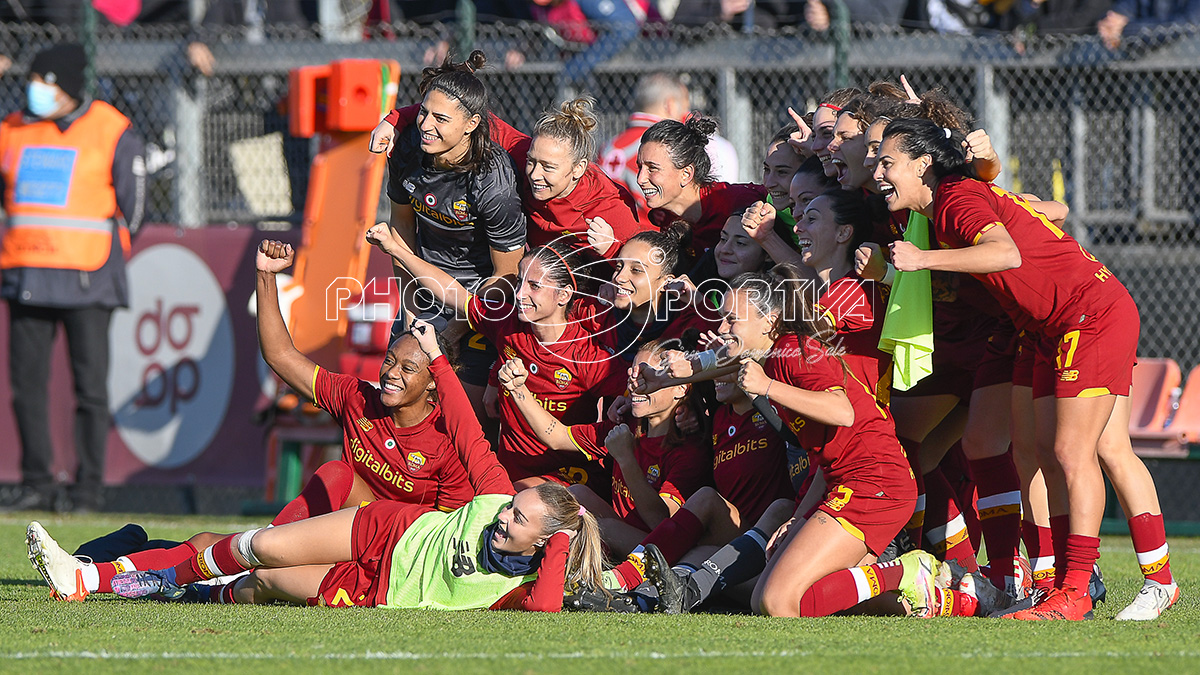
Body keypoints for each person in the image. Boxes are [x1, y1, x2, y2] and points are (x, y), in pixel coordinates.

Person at [27, 320, 606, 611]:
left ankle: (133, 568)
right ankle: (92, 576)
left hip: (382, 587)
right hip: (386, 526)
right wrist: (435, 353)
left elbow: (548, 603)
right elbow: (463, 419)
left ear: (544, 543)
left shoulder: (520, 584)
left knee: (260, 581)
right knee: (259, 544)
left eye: (518, 519)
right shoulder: (486, 487)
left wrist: (561, 539)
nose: (503, 515)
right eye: (511, 506)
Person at [877, 117, 1142, 621]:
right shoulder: (945, 202)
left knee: (1071, 452)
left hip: (1090, 312)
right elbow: (1044, 215)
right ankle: (1064, 585)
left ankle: (1081, 588)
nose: (878, 171)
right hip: (1050, 326)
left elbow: (1005, 252)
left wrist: (920, 260)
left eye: (887, 161)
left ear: (923, 164)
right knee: (1043, 451)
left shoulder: (954, 201)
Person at [365, 224, 628, 490]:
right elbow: (453, 293)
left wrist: (619, 408)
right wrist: (396, 249)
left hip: (562, 482)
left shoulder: (589, 357)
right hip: (508, 474)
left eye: (534, 286)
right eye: (519, 282)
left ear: (564, 295)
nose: (520, 293)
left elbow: (640, 403)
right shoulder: (509, 322)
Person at [0, 42, 146, 513]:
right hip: (25, 272)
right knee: (26, 387)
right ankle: (38, 482)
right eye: (34, 80)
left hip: (88, 277)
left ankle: (87, 490)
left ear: (70, 88)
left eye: (46, 81)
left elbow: (135, 206)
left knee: (90, 389)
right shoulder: (11, 129)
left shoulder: (111, 129)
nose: (35, 90)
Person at [383, 51, 527, 421]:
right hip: (424, 288)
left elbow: (507, 276)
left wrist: (458, 329)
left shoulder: (493, 181)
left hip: (479, 303)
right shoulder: (407, 149)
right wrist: (412, 307)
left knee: (464, 417)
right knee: (404, 405)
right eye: (424, 113)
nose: (426, 125)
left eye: (440, 118)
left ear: (471, 124)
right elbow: (401, 226)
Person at [494, 340, 711, 554]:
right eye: (632, 375)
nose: (634, 384)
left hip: (663, 550)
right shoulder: (627, 426)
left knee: (605, 528)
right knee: (576, 495)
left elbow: (662, 523)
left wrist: (626, 458)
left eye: (645, 376)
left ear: (681, 388)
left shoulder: (689, 451)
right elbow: (557, 436)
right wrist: (517, 390)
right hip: (622, 533)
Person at [373, 95, 645, 258]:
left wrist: (611, 250)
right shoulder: (519, 150)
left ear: (578, 169)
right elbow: (458, 111)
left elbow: (648, 263)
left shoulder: (606, 208)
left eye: (548, 168)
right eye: (531, 162)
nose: (534, 175)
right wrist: (395, 119)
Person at [599, 73, 745, 216]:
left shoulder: (607, 147)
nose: (641, 178)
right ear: (670, 105)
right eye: (686, 107)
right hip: (658, 234)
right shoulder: (675, 147)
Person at [639, 114, 765, 256]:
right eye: (640, 167)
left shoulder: (738, 201)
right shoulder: (659, 220)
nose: (640, 179)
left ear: (686, 174)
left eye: (652, 168)